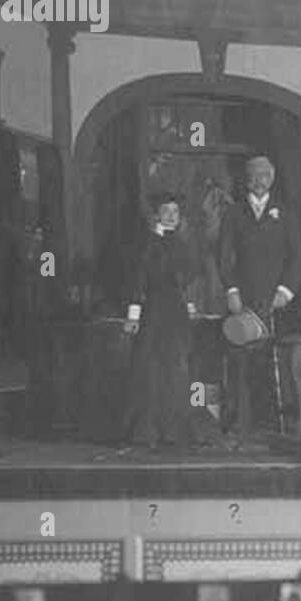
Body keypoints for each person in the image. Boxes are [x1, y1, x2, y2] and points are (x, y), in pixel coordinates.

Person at [217, 155, 301, 436]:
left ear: (273, 177)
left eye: (264, 175)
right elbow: (224, 256)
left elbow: (297, 257)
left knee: (276, 358)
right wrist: (231, 290)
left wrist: (285, 291)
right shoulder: (233, 212)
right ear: (246, 178)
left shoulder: (287, 211)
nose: (259, 181)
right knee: (239, 358)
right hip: (242, 297)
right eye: (254, 175)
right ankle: (239, 419)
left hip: (276, 298)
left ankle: (280, 418)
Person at [122, 192, 198, 451]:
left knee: (177, 369)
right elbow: (138, 280)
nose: (171, 217)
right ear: (157, 214)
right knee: (151, 370)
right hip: (153, 312)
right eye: (166, 212)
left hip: (176, 314)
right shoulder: (147, 243)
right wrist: (133, 316)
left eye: (175, 213)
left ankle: (175, 432)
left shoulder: (183, 243)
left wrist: (188, 302)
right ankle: (146, 432)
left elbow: (189, 276)